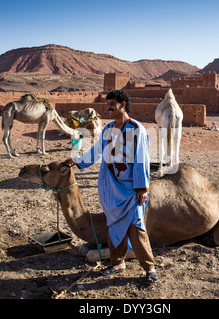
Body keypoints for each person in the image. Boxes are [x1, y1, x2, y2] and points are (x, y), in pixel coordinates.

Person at [66, 90, 157, 283]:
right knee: (114, 227)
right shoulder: (108, 129)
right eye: (108, 103)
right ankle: (117, 263)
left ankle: (149, 269)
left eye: (112, 103)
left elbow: (142, 159)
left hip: (131, 190)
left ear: (123, 104)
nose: (108, 107)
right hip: (111, 189)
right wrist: (78, 161)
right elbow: (96, 151)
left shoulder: (136, 129)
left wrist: (142, 188)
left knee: (136, 227)